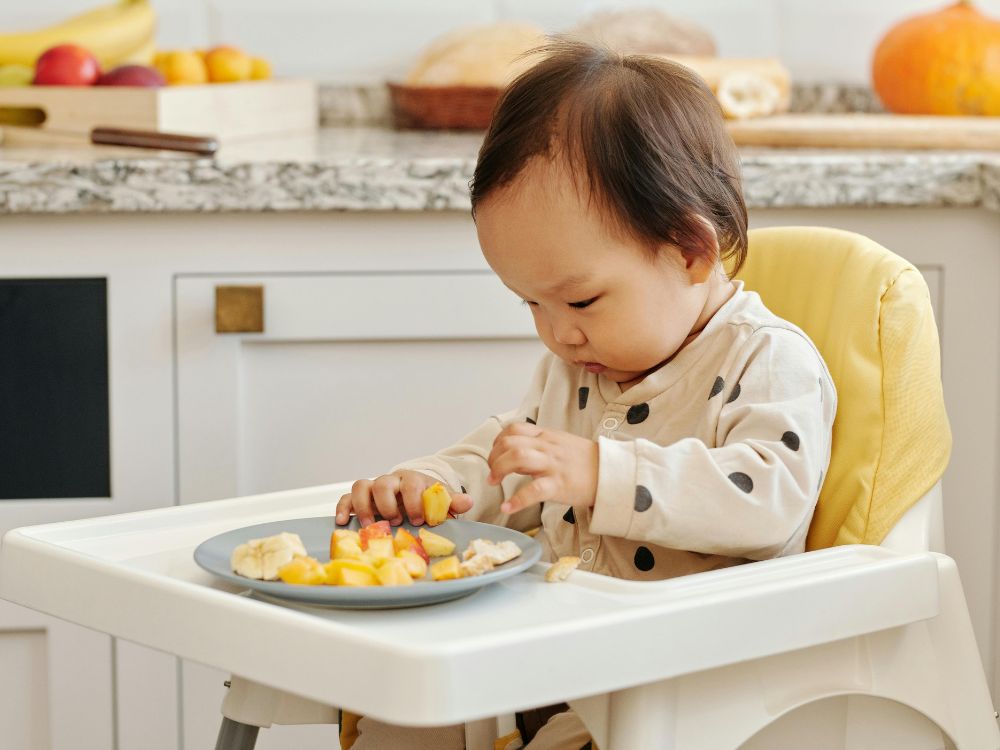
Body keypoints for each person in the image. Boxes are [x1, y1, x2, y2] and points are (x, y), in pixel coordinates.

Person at [338, 38, 836, 750]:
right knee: (404, 713)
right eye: (530, 306)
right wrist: (435, 485)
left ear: (690, 252)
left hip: (695, 691)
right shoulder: (586, 359)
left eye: (579, 300)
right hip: (568, 661)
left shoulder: (769, 359)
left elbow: (769, 497)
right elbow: (520, 451)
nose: (556, 335)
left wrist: (605, 472)